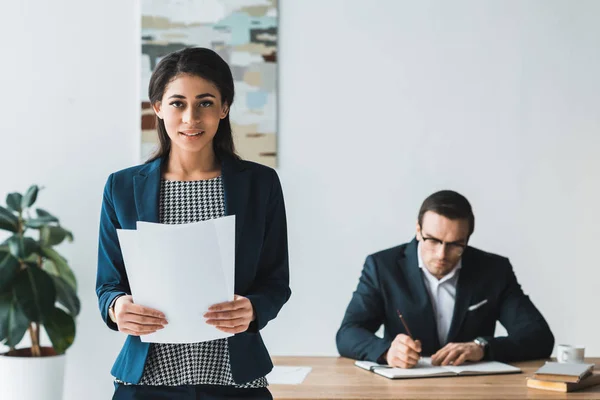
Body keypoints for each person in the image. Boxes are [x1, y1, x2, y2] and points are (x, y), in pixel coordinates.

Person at [96, 47, 290, 399]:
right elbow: (107, 283)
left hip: (235, 383)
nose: (191, 118)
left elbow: (276, 281)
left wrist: (253, 308)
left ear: (224, 107)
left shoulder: (260, 184)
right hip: (145, 384)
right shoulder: (122, 187)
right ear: (157, 107)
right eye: (177, 103)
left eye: (204, 103)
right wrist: (116, 307)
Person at [336, 190, 554, 368]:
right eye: (432, 240)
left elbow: (539, 337)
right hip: (404, 389)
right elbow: (347, 333)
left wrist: (482, 347)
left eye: (455, 244)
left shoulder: (494, 270)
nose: (441, 254)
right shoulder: (382, 267)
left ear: (467, 240)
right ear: (418, 229)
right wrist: (386, 351)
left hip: (475, 390)